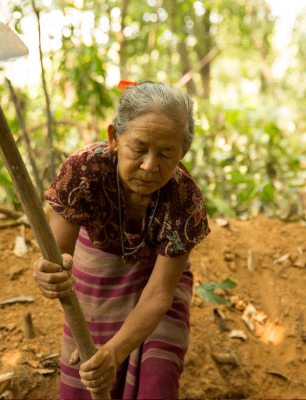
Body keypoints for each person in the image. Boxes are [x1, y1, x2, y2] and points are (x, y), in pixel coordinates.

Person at [33, 81, 210, 399]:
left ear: (182, 152)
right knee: (87, 373)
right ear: (114, 137)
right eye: (139, 149)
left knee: (158, 379)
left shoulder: (185, 199)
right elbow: (56, 259)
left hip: (159, 282)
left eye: (166, 153)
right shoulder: (84, 172)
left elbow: (158, 295)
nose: (149, 166)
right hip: (96, 279)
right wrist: (48, 275)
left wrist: (114, 353)